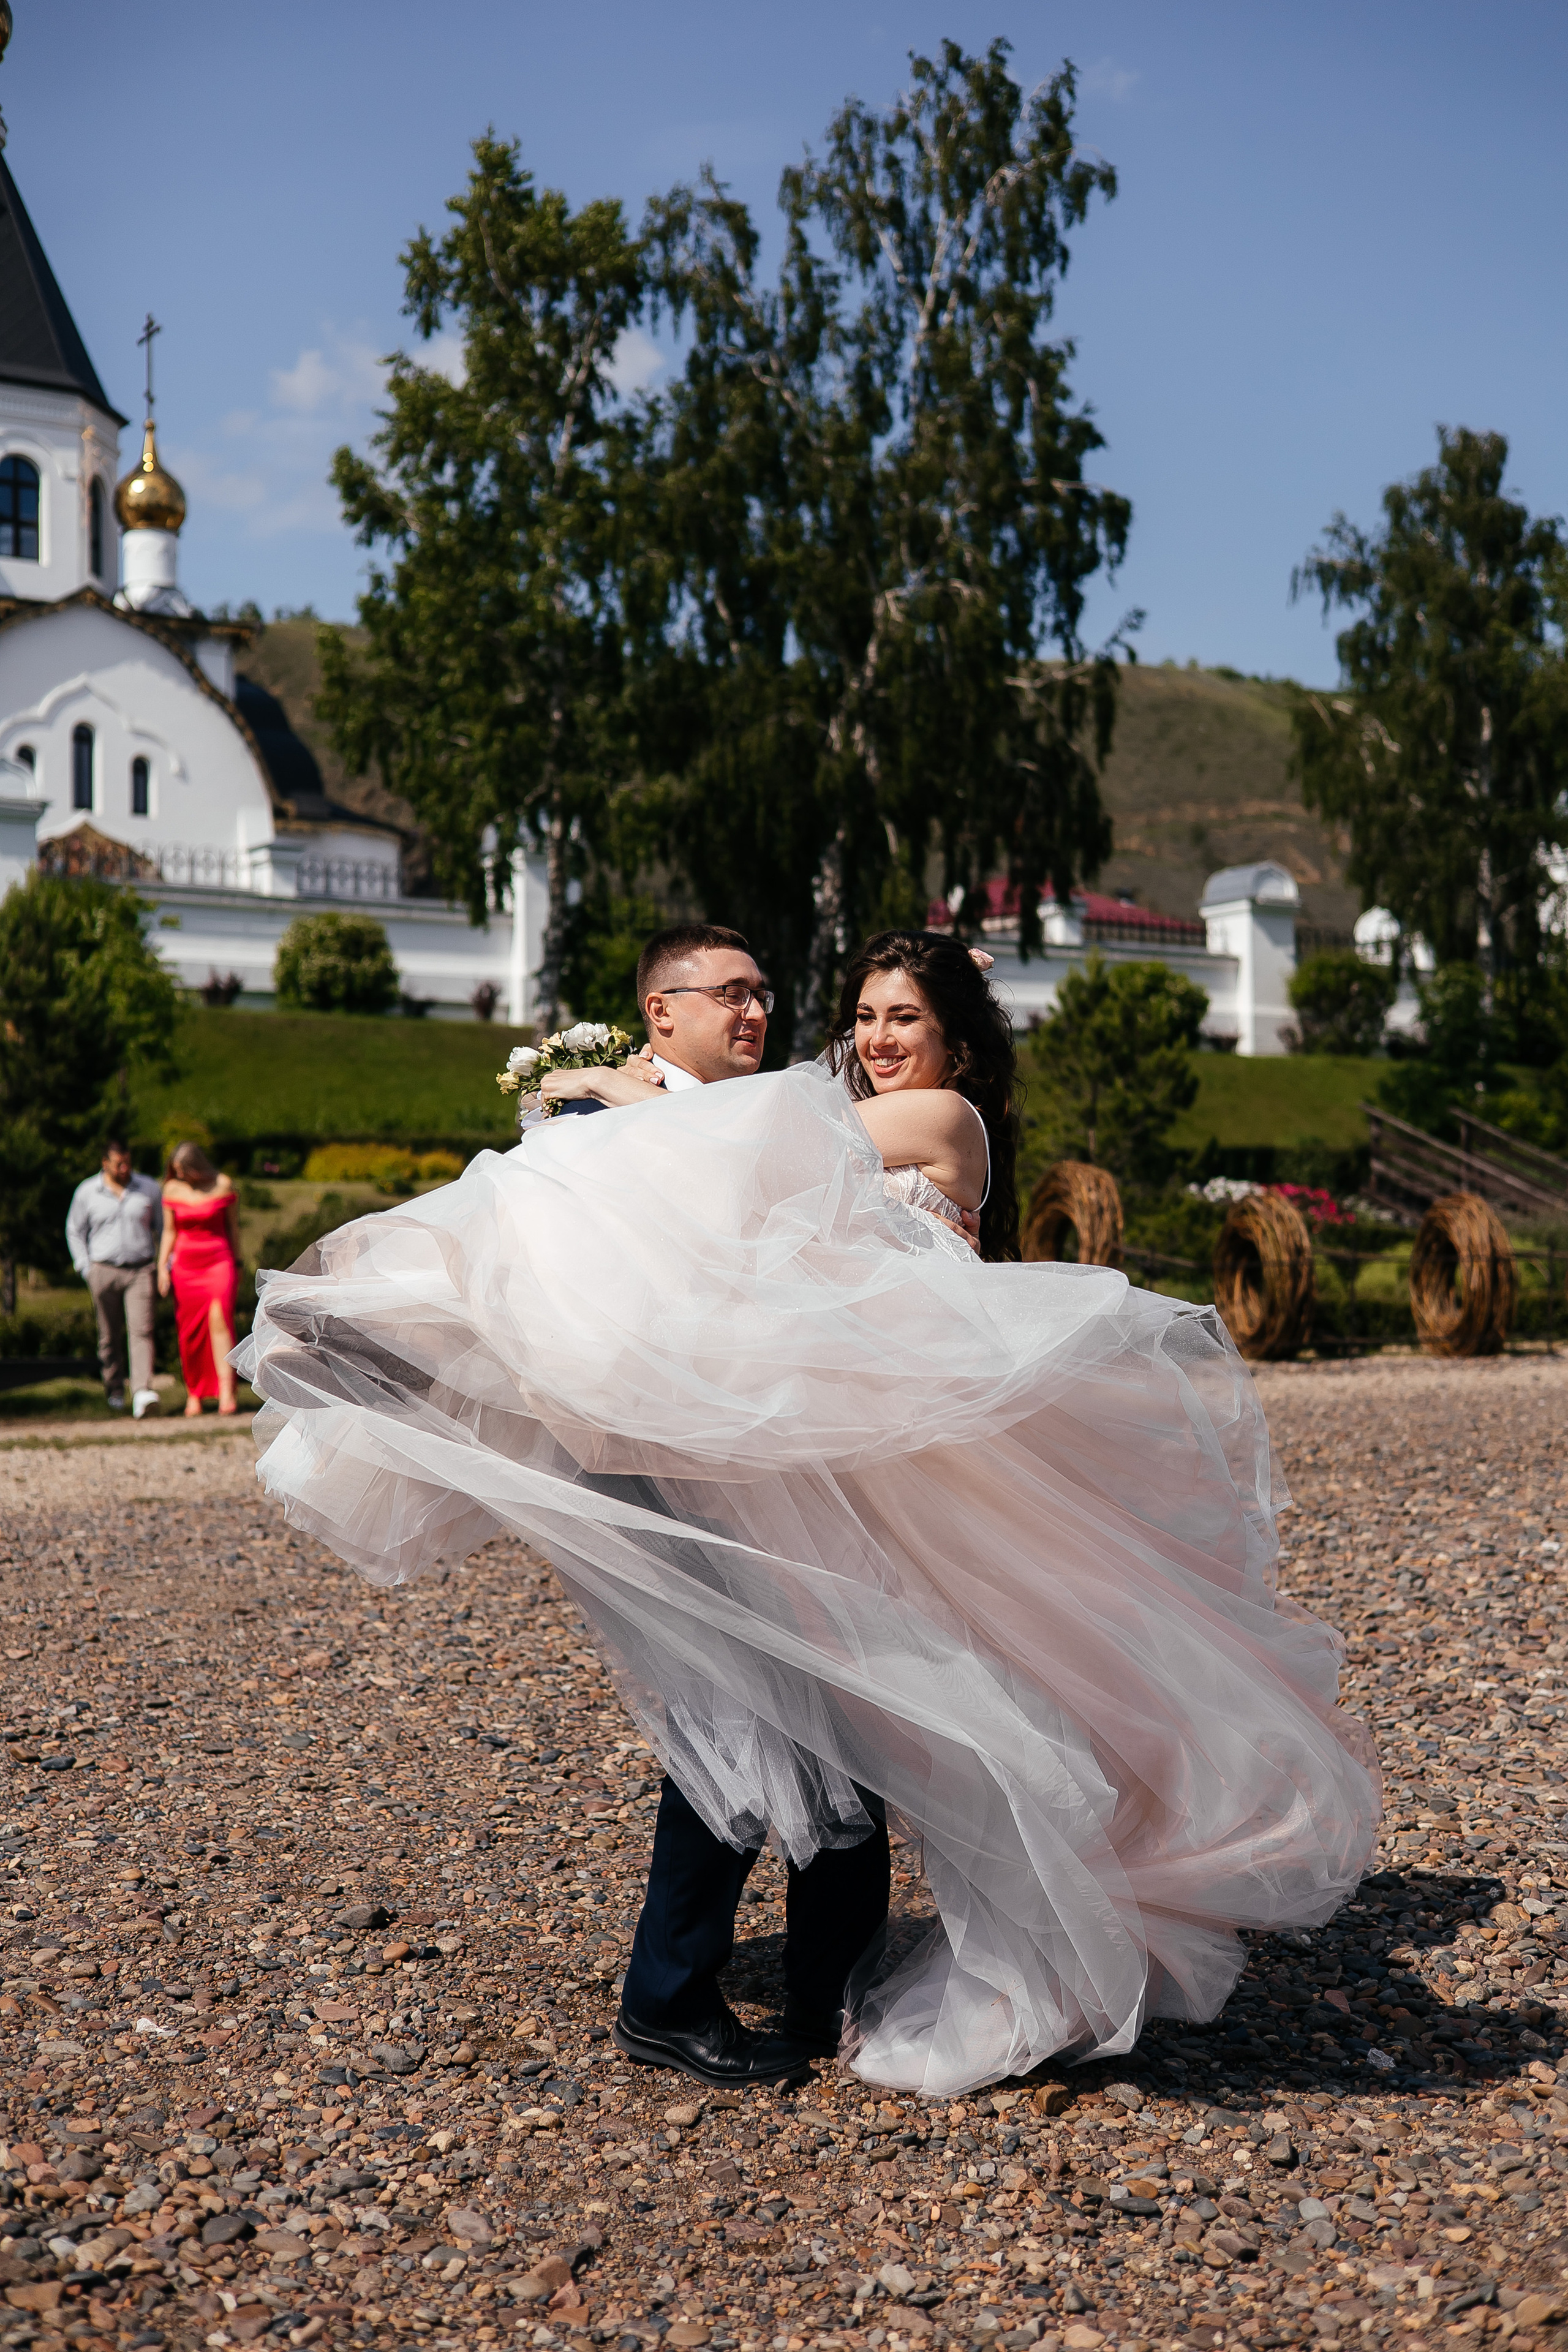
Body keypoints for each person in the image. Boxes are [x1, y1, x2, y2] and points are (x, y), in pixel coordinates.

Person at [239, 932, 1379, 2100]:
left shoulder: (944, 1124)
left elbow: (763, 1149)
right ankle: (802, 1983)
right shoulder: (820, 1125)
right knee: (837, 1709)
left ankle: (798, 1978)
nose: (879, 1039)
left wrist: (625, 1090)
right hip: (846, 1460)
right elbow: (734, 1208)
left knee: (897, 1709)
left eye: (905, 1019)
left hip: (919, 1465)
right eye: (866, 1017)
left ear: (954, 1042)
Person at [66, 1138, 162, 1418]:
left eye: (128, 1161)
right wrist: (85, 1267)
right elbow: (74, 1230)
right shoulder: (87, 1192)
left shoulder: (149, 1188)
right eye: (119, 1163)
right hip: (103, 1270)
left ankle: (142, 1392)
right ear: (105, 1163)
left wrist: (161, 1263)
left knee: (142, 1331)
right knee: (109, 1336)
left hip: (141, 1270)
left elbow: (162, 1227)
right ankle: (114, 1389)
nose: (125, 1168)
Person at [157, 1143, 241, 1417]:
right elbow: (170, 1231)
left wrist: (239, 1261)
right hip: (185, 1266)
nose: (180, 1175)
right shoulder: (171, 1190)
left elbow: (233, 1227)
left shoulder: (223, 1185)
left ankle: (226, 1391)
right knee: (191, 1329)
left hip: (219, 1260)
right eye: (176, 1171)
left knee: (220, 1320)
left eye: (184, 1170)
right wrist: (161, 1267)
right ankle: (194, 1392)